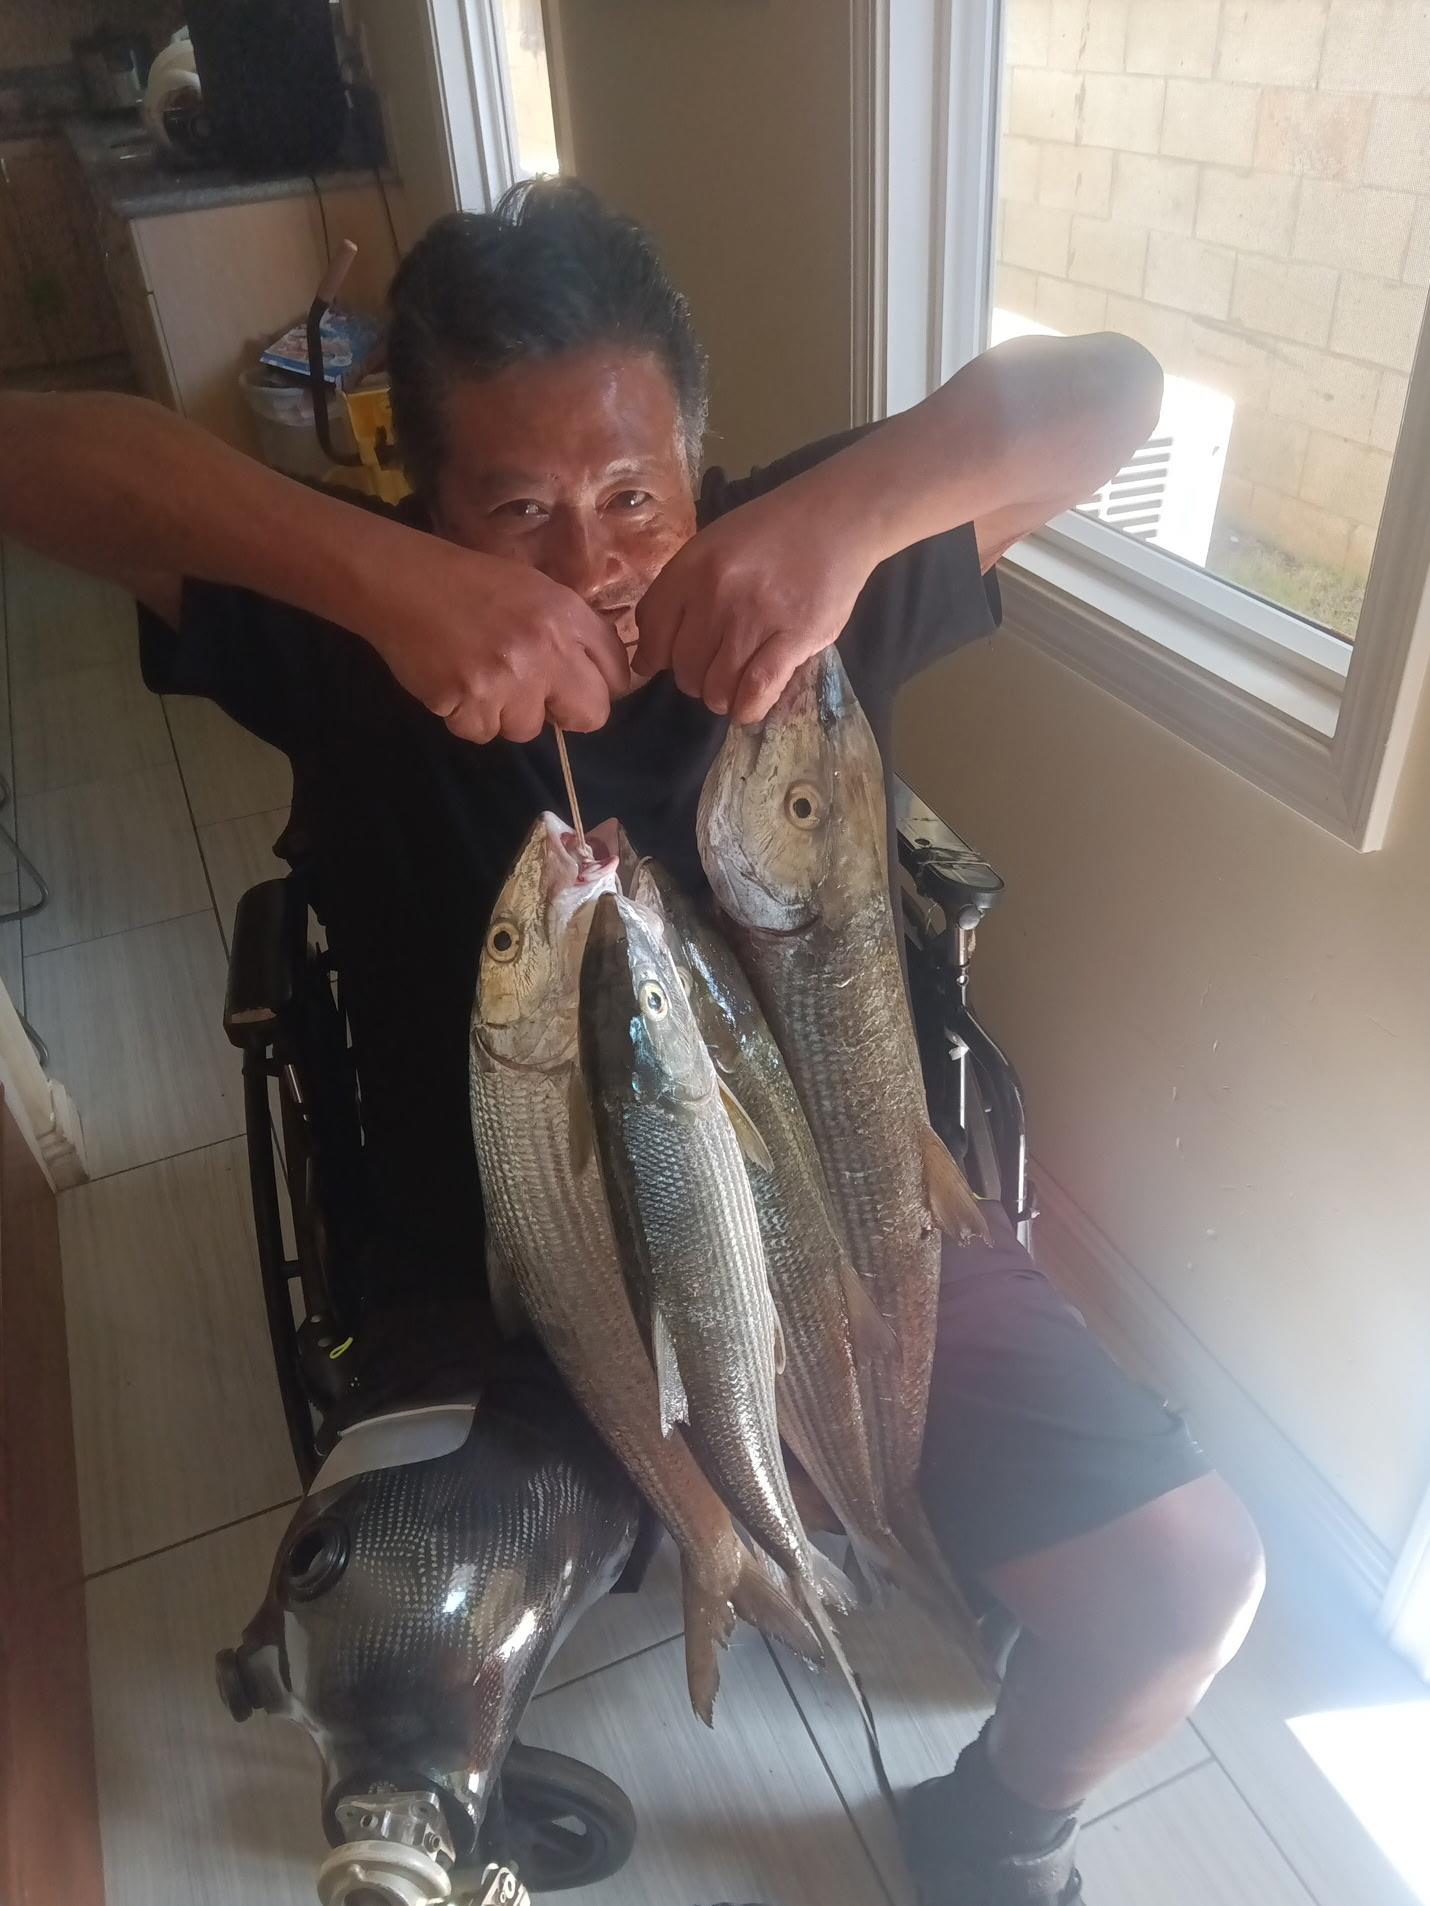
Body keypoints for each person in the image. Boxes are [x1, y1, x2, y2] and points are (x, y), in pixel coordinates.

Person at [0, 180, 1264, 1906]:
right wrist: (382, 582)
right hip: (508, 1273)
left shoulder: (800, 575)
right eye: (512, 505)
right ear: (418, 488)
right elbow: (36, 450)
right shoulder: (344, 629)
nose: (590, 559)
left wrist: (840, 521)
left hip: (855, 1227)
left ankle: (1000, 1816)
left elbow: (1112, 391)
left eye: (630, 493)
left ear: (699, 459)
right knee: (387, 1647)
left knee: (1182, 1588)